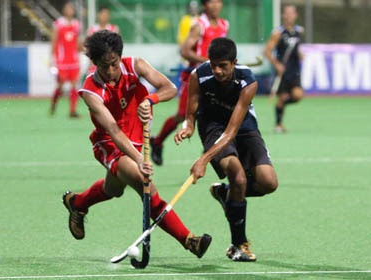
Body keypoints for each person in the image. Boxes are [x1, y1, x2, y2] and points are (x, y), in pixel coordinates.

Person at [62, 30, 212, 259]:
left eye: (114, 64)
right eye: (104, 66)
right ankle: (189, 240)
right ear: (94, 64)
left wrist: (151, 99)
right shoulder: (90, 91)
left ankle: (78, 202)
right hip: (110, 143)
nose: (111, 72)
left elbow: (169, 88)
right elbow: (112, 130)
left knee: (114, 189)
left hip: (136, 137)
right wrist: (139, 160)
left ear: (120, 57)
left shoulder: (135, 65)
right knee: (145, 185)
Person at [174, 37, 278, 261]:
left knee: (269, 182)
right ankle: (238, 245)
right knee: (238, 178)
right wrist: (188, 128)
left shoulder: (248, 81)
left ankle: (225, 193)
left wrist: (203, 160)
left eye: (223, 66)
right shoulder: (198, 76)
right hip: (212, 126)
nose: (218, 71)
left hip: (242, 126)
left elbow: (231, 132)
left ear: (234, 62)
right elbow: (190, 114)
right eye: (214, 65)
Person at [150, 0, 228, 166]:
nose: (215, 5)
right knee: (182, 116)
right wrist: (208, 61)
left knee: (219, 113)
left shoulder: (223, 25)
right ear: (205, 5)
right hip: (195, 78)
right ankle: (157, 142)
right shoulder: (199, 26)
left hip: (215, 78)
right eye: (211, 2)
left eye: (218, 1)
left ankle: (209, 151)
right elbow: (184, 51)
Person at [264, 5, 304, 133]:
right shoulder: (278, 32)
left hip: (294, 70)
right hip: (282, 70)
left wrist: (299, 54)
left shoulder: (298, 31)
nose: (290, 16)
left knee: (297, 95)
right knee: (282, 97)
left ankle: (279, 107)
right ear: (283, 15)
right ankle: (278, 124)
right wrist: (277, 64)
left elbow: (295, 49)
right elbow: (267, 51)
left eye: (292, 13)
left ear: (296, 15)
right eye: (287, 13)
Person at [49, 1, 82, 118]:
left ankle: (72, 111)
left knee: (74, 85)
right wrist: (52, 59)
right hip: (62, 62)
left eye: (71, 9)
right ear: (64, 11)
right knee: (60, 86)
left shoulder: (77, 24)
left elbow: (77, 43)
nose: (69, 11)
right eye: (67, 9)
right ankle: (53, 103)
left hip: (74, 61)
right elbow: (54, 41)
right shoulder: (58, 24)